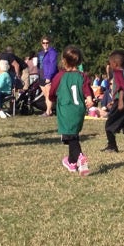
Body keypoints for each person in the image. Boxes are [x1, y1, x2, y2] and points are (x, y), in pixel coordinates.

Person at [50, 44, 94, 175]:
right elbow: (88, 91)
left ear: (63, 60)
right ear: (79, 61)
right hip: (79, 110)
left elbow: (52, 92)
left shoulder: (60, 76)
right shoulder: (82, 76)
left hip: (65, 109)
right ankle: (71, 162)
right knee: (72, 135)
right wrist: (89, 99)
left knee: (70, 137)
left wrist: (53, 99)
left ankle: (80, 157)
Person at [38, 37, 59, 115]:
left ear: (49, 43)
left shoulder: (52, 52)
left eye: (47, 43)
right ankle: (49, 110)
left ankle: (48, 111)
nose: (45, 44)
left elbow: (53, 65)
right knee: (46, 95)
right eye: (44, 43)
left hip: (48, 76)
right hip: (41, 75)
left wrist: (49, 77)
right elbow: (39, 65)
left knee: (49, 95)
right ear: (41, 44)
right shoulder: (40, 53)